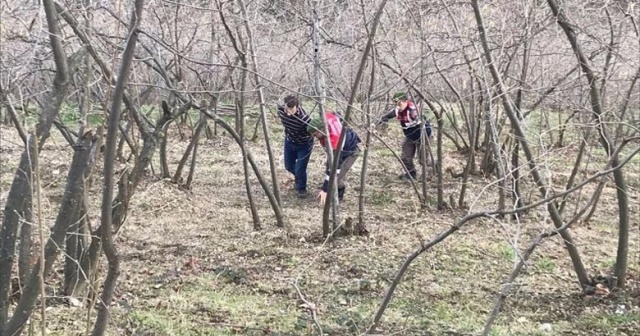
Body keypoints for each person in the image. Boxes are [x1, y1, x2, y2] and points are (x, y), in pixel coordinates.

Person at [307, 111, 361, 206]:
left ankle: (339, 194)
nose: (313, 137)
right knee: (329, 171)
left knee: (335, 178)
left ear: (321, 130)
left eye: (315, 134)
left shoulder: (335, 140)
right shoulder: (326, 117)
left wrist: (325, 189)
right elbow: (335, 113)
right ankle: (330, 187)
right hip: (340, 148)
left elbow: (335, 167)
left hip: (351, 152)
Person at [374, 91, 432, 180]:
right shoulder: (398, 110)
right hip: (410, 136)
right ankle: (411, 174)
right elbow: (386, 116)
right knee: (405, 157)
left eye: (400, 103)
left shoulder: (412, 110)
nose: (398, 106)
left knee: (423, 160)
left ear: (405, 101)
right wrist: (375, 123)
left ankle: (433, 170)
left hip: (423, 136)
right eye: (396, 103)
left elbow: (420, 116)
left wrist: (419, 119)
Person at [277, 95, 314, 198]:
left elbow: (312, 132)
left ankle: (301, 188)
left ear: (297, 107)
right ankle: (299, 177)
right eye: (286, 108)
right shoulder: (281, 111)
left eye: (291, 109)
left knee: (300, 169)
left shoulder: (304, 118)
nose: (288, 112)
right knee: (288, 166)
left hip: (304, 144)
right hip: (289, 141)